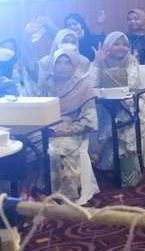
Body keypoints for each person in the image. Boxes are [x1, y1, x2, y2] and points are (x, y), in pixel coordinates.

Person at [37, 48, 99, 204]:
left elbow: (90, 120)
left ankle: (64, 195)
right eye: (58, 62)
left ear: (75, 66)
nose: (62, 67)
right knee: (28, 147)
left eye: (67, 63)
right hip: (46, 128)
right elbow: (39, 109)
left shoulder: (84, 86)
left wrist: (65, 131)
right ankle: (35, 190)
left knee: (56, 150)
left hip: (71, 131)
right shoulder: (46, 84)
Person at [91, 32, 145, 187]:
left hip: (131, 102)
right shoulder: (101, 60)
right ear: (108, 45)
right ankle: (114, 164)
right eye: (116, 44)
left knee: (119, 115)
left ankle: (100, 148)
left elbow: (131, 84)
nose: (121, 48)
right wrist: (97, 63)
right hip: (107, 104)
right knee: (109, 114)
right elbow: (90, 84)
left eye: (124, 44)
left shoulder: (131, 60)